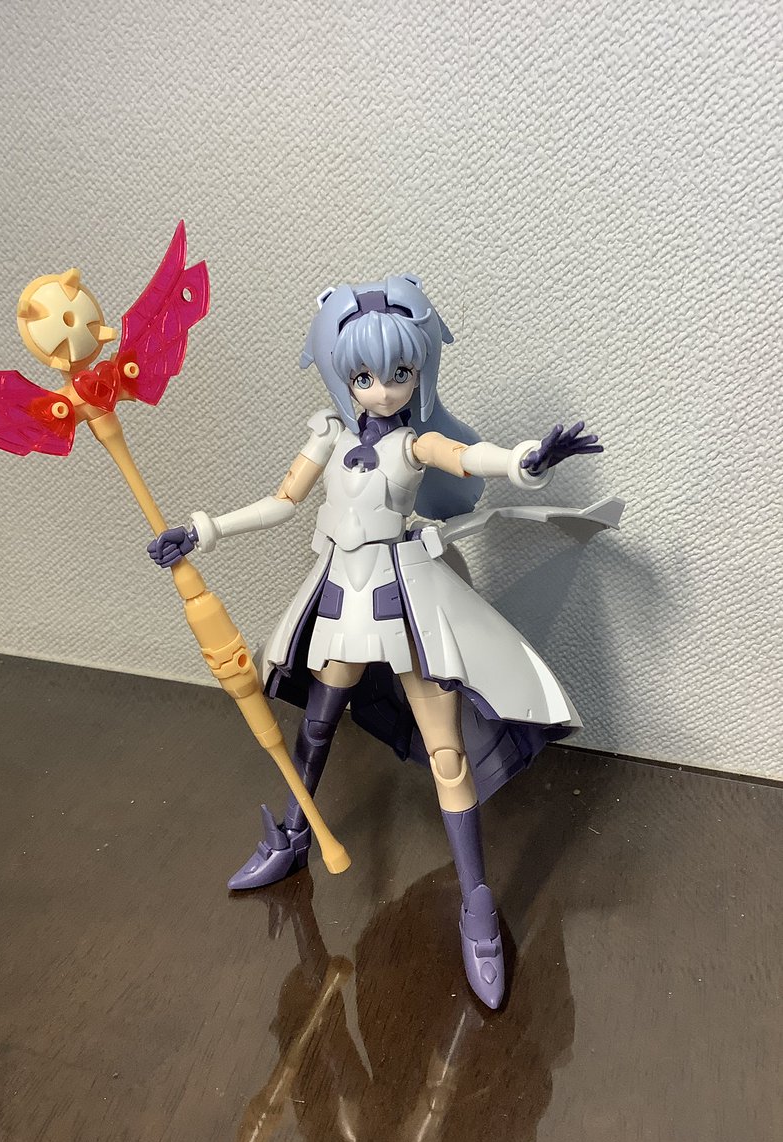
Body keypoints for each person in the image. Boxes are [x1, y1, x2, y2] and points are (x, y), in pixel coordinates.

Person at [149, 274, 603, 1008]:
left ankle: (477, 907)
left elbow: (471, 458)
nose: (383, 390)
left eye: (399, 373)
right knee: (317, 723)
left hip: (405, 602)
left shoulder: (416, 443)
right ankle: (294, 835)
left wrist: (524, 461)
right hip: (340, 598)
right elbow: (281, 501)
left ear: (419, 372)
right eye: (364, 376)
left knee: (447, 752)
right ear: (343, 375)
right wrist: (202, 531)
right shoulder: (327, 438)